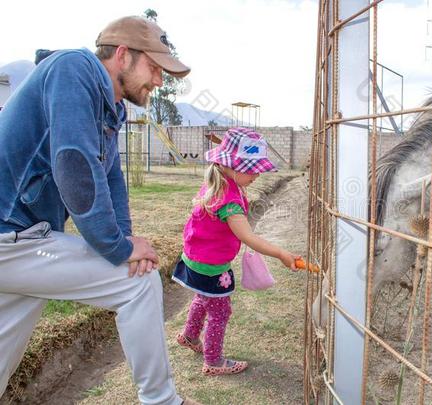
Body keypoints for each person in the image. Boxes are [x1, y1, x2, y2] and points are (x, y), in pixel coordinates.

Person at [0, 16, 201, 405]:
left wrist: (124, 237)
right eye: (155, 68)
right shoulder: (73, 69)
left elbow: (111, 180)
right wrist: (118, 249)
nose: (159, 81)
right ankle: (162, 401)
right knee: (138, 283)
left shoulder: (110, 106)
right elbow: (75, 165)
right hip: (11, 238)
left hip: (19, 241)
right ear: (123, 54)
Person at [173, 127, 300, 376]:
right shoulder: (229, 201)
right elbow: (248, 237)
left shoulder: (218, 182)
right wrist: (282, 254)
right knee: (220, 311)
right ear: (229, 166)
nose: (256, 176)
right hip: (211, 265)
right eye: (251, 170)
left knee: (202, 297)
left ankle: (189, 335)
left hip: (195, 258)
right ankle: (213, 361)